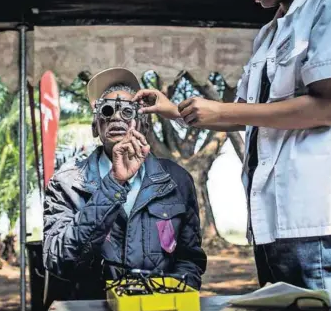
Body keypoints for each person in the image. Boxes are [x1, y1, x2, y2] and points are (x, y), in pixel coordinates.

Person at [132, 0, 331, 290]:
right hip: (269, 220)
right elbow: (244, 112)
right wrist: (172, 109)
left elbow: (325, 108)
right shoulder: (267, 36)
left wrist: (224, 109)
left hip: (316, 216)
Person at [42, 67, 207, 300]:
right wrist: (114, 183)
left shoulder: (177, 180)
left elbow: (189, 259)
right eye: (107, 110)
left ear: (145, 126)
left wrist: (171, 296)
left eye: (128, 111)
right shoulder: (66, 183)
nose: (117, 117)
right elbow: (59, 260)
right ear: (95, 126)